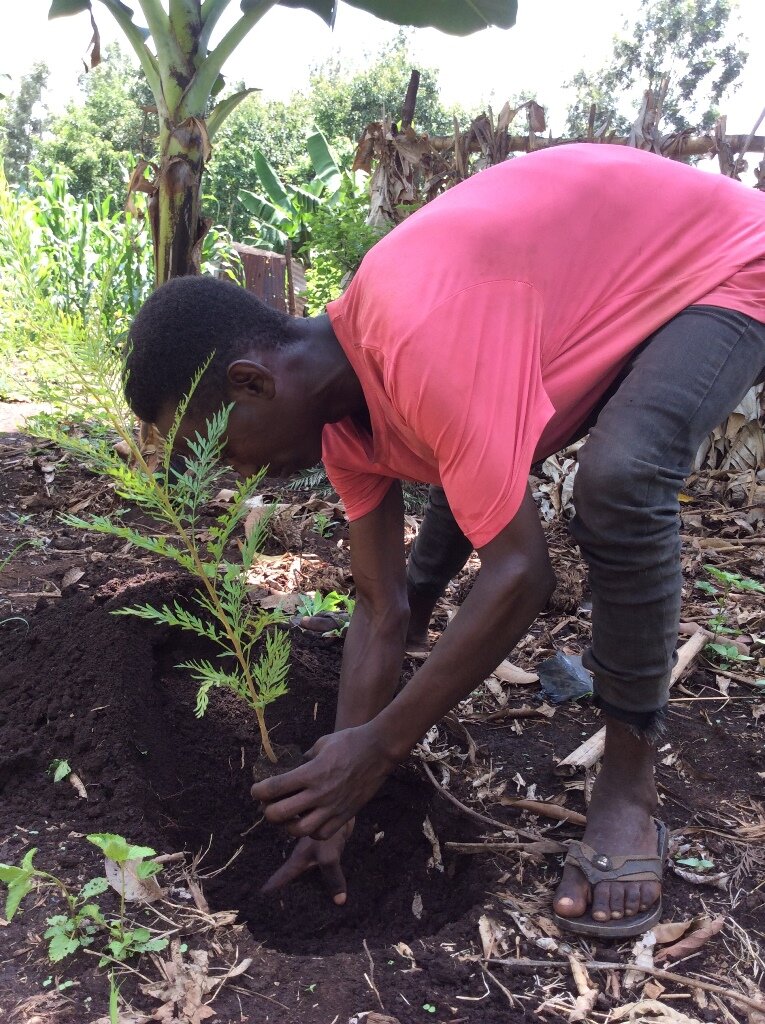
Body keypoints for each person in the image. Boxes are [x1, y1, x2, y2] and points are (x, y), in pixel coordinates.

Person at [124, 143, 765, 938]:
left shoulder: (420, 334)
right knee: (464, 467)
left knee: (621, 481)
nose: (237, 474)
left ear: (253, 381)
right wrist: (335, 797)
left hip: (722, 260)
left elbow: (523, 577)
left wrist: (380, 749)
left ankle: (629, 787)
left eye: (222, 443)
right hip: (587, 292)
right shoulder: (342, 424)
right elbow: (379, 605)